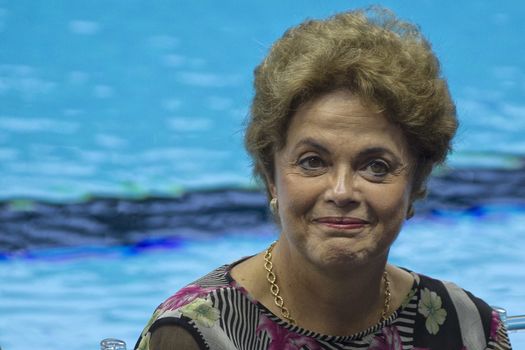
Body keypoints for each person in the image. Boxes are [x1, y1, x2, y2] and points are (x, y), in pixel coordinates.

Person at [134, 7, 512, 350]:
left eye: (376, 166)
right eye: (313, 162)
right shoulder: (195, 334)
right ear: (271, 177)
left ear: (416, 185)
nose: (342, 191)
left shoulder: (468, 328)